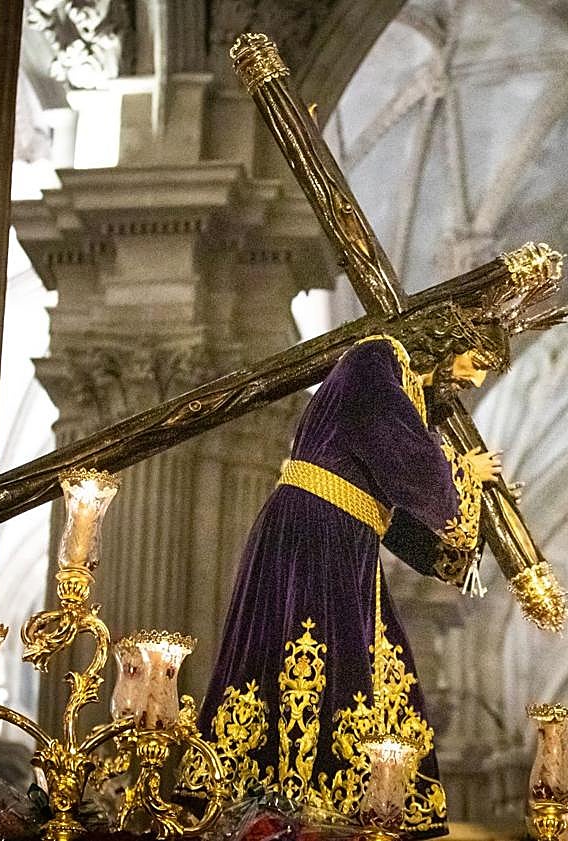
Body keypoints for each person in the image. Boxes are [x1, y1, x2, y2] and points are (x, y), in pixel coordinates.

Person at [198, 312, 510, 837]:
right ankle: (294, 801)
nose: (475, 380)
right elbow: (417, 472)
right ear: (452, 340)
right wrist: (463, 474)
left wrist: (468, 502)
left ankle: (345, 807)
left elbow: (400, 517)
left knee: (370, 665)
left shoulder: (405, 393)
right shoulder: (378, 357)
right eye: (477, 363)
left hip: (345, 537)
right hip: (314, 533)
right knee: (314, 664)